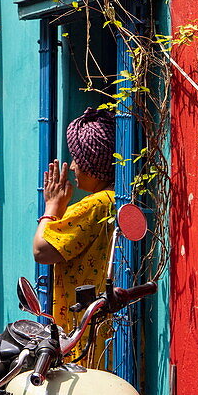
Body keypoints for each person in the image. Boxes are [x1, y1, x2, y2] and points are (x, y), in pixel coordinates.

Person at [33, 107, 115, 362]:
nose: (73, 167)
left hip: (85, 338)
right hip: (107, 332)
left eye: (78, 160)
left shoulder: (95, 205)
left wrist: (52, 206)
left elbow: (42, 250)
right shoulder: (116, 201)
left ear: (93, 166)